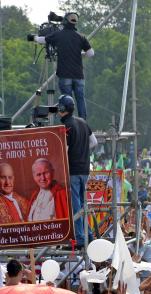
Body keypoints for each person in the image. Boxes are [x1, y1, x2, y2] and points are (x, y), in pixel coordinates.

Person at [29, 12, 93, 120]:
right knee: (80, 99)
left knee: (67, 101)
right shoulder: (81, 37)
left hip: (65, 75)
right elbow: (91, 53)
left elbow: (43, 39)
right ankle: (83, 122)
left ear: (64, 22)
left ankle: (69, 123)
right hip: (79, 76)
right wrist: (81, 54)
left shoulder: (59, 34)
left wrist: (33, 37)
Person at [58, 93, 93, 243]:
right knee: (83, 205)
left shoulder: (66, 126)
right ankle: (89, 234)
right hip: (85, 169)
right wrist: (82, 152)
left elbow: (63, 150)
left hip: (72, 170)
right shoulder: (83, 122)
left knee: (76, 205)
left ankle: (80, 237)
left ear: (62, 108)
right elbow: (94, 142)